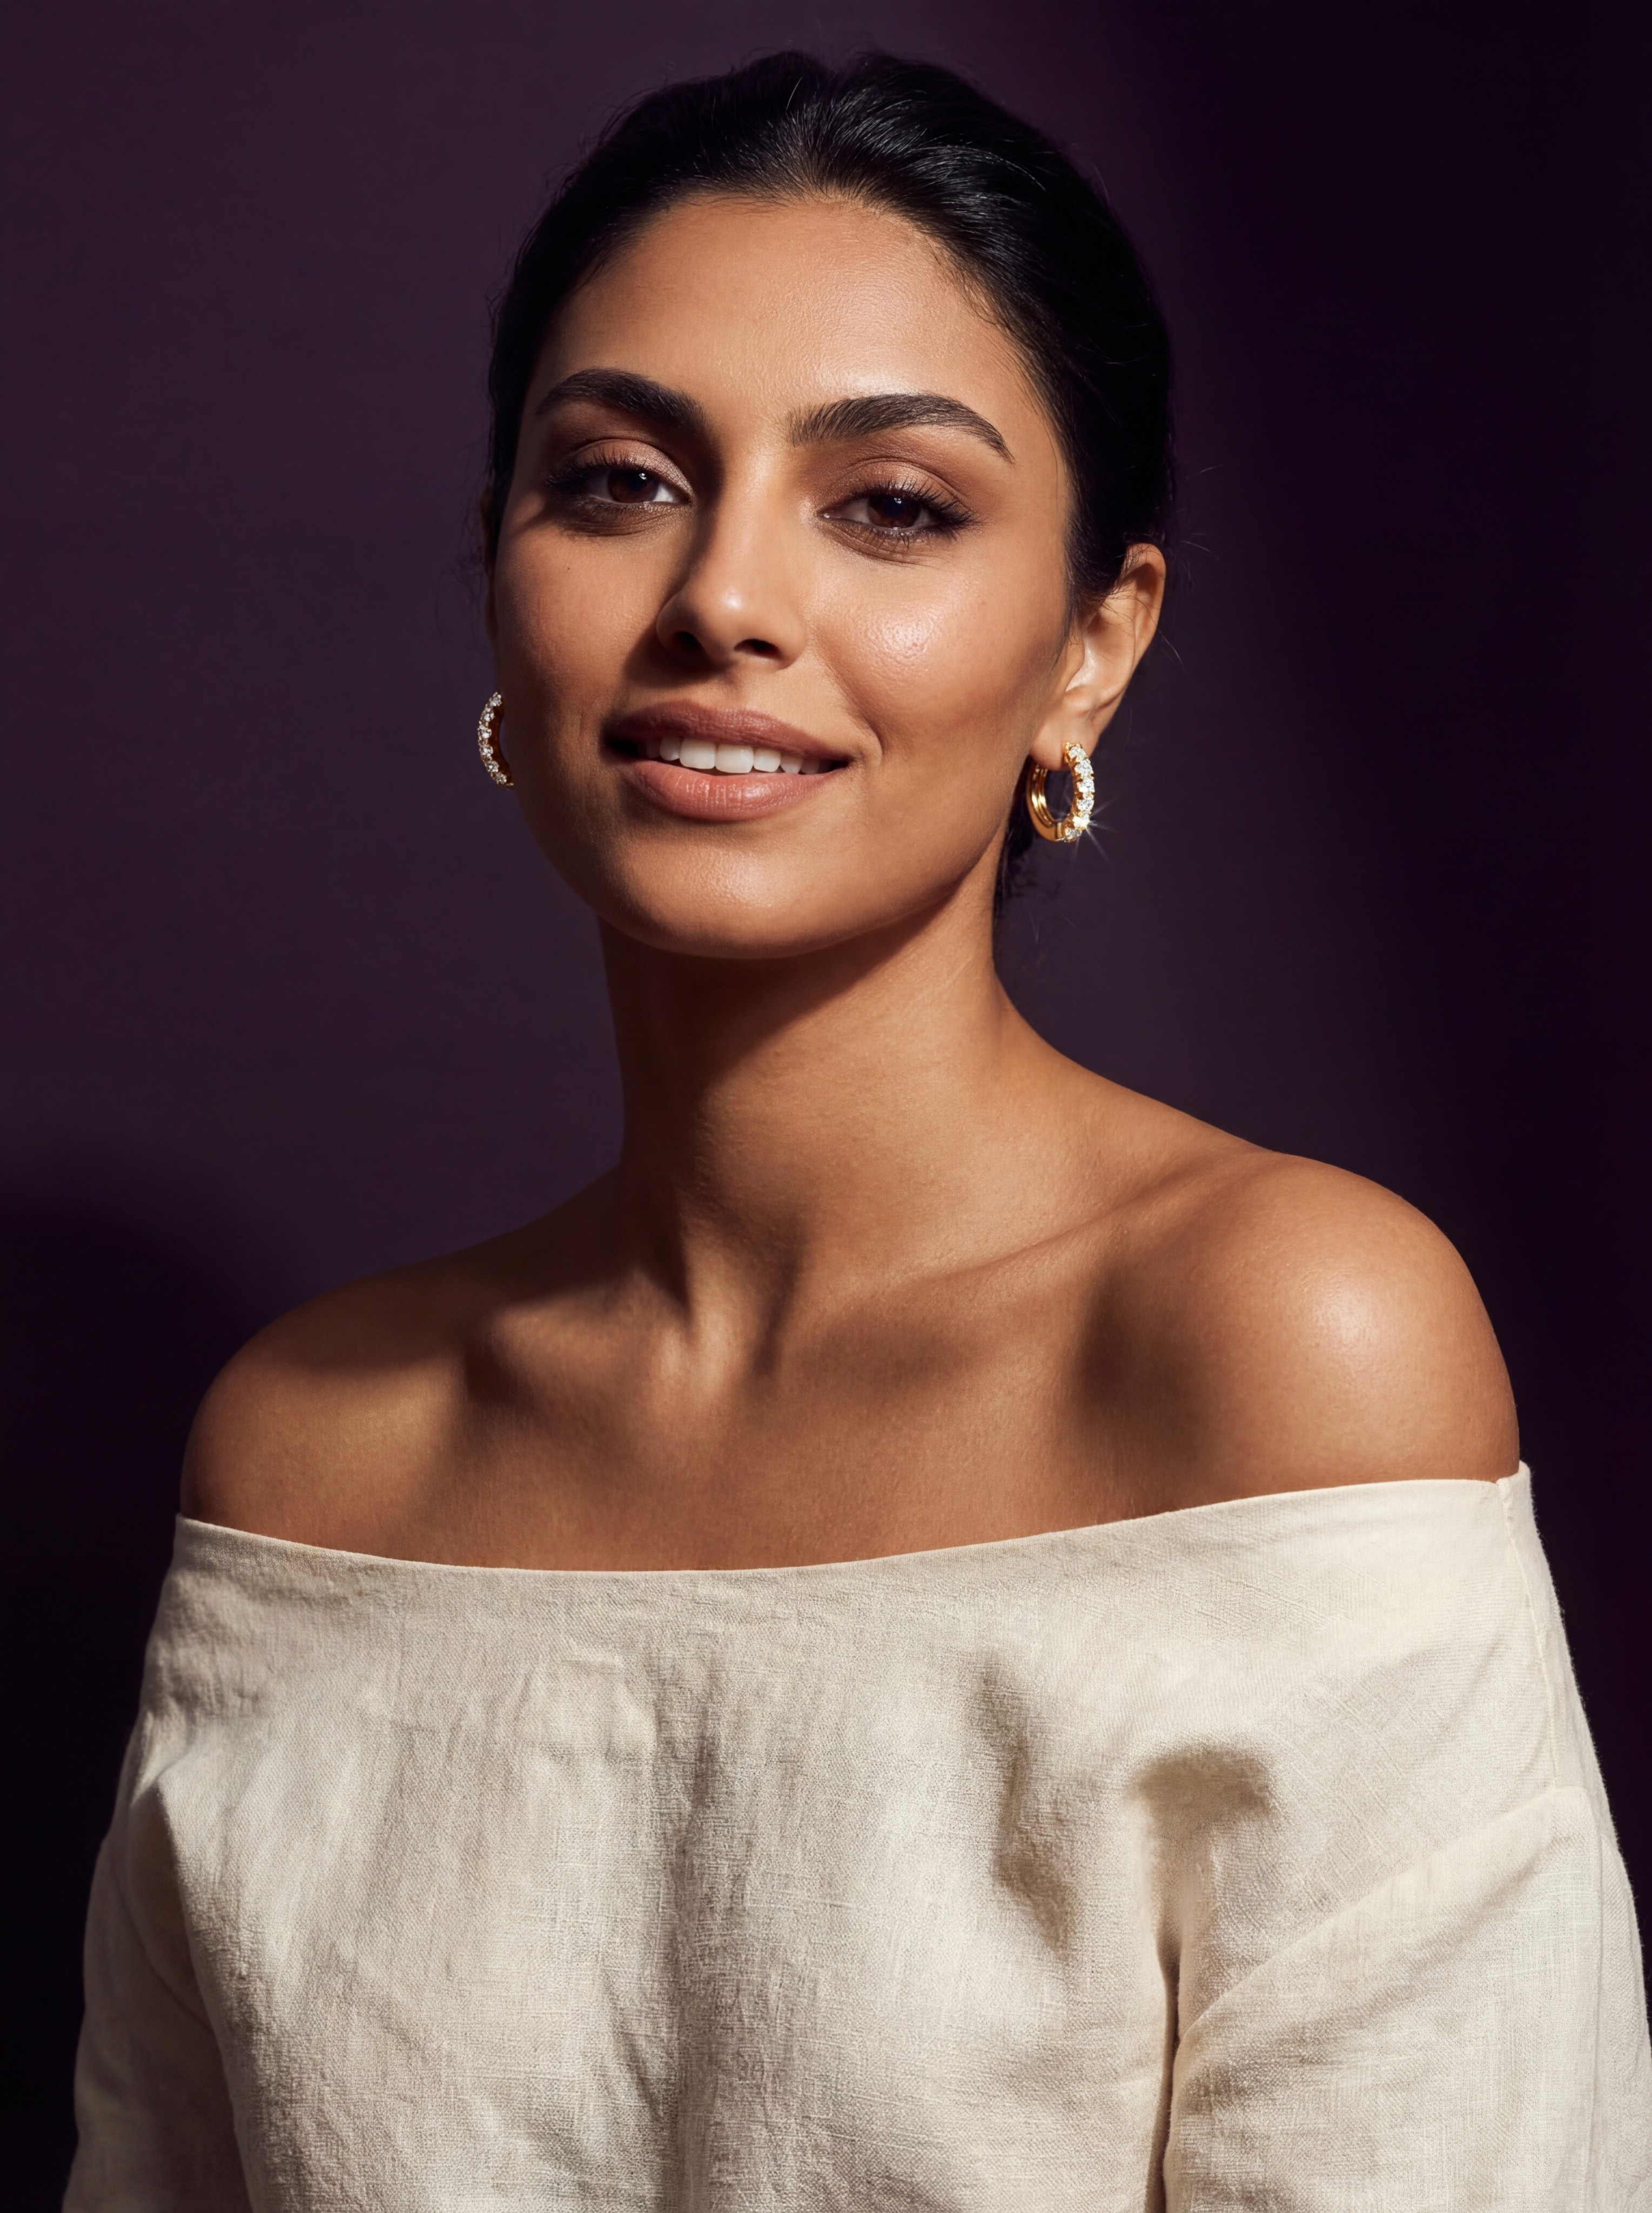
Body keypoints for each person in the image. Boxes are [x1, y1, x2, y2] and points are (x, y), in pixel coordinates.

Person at [65, 50, 1650, 2212]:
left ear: (1094, 644)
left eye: (891, 504)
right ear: (500, 586)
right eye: (619, 480)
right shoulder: (315, 1459)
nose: (724, 595)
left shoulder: (1284, 1343)